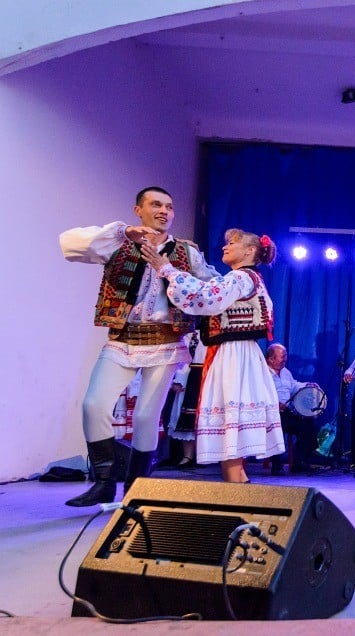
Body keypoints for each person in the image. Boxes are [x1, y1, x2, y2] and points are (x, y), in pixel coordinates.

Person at [59, 186, 218, 507]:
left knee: (146, 416)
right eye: (156, 204)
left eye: (169, 206)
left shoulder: (186, 252)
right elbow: (70, 243)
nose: (164, 211)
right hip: (122, 340)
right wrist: (122, 231)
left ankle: (137, 488)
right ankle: (104, 482)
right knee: (93, 405)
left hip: (166, 343)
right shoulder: (117, 243)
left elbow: (209, 287)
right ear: (138, 210)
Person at [142, 228, 284, 483]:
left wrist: (168, 269)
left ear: (250, 251)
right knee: (232, 446)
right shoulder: (243, 278)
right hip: (235, 353)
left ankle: (235, 501)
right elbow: (209, 285)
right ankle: (240, 497)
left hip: (234, 355)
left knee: (230, 438)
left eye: (232, 243)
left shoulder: (242, 278)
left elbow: (206, 296)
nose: (224, 247)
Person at [266, 343, 321, 475]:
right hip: (270, 412)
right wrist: (275, 404)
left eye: (285, 357)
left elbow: (294, 385)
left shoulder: (285, 372)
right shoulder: (262, 374)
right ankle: (276, 465)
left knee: (306, 421)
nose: (285, 360)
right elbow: (258, 394)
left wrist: (307, 384)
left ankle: (299, 462)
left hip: (287, 411)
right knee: (276, 426)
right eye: (282, 357)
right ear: (271, 359)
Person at [166, 331, 205, 469]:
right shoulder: (190, 336)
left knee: (203, 418)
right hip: (190, 378)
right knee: (184, 416)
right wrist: (178, 380)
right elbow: (183, 360)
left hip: (207, 377)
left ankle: (203, 455)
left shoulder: (212, 335)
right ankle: (188, 455)